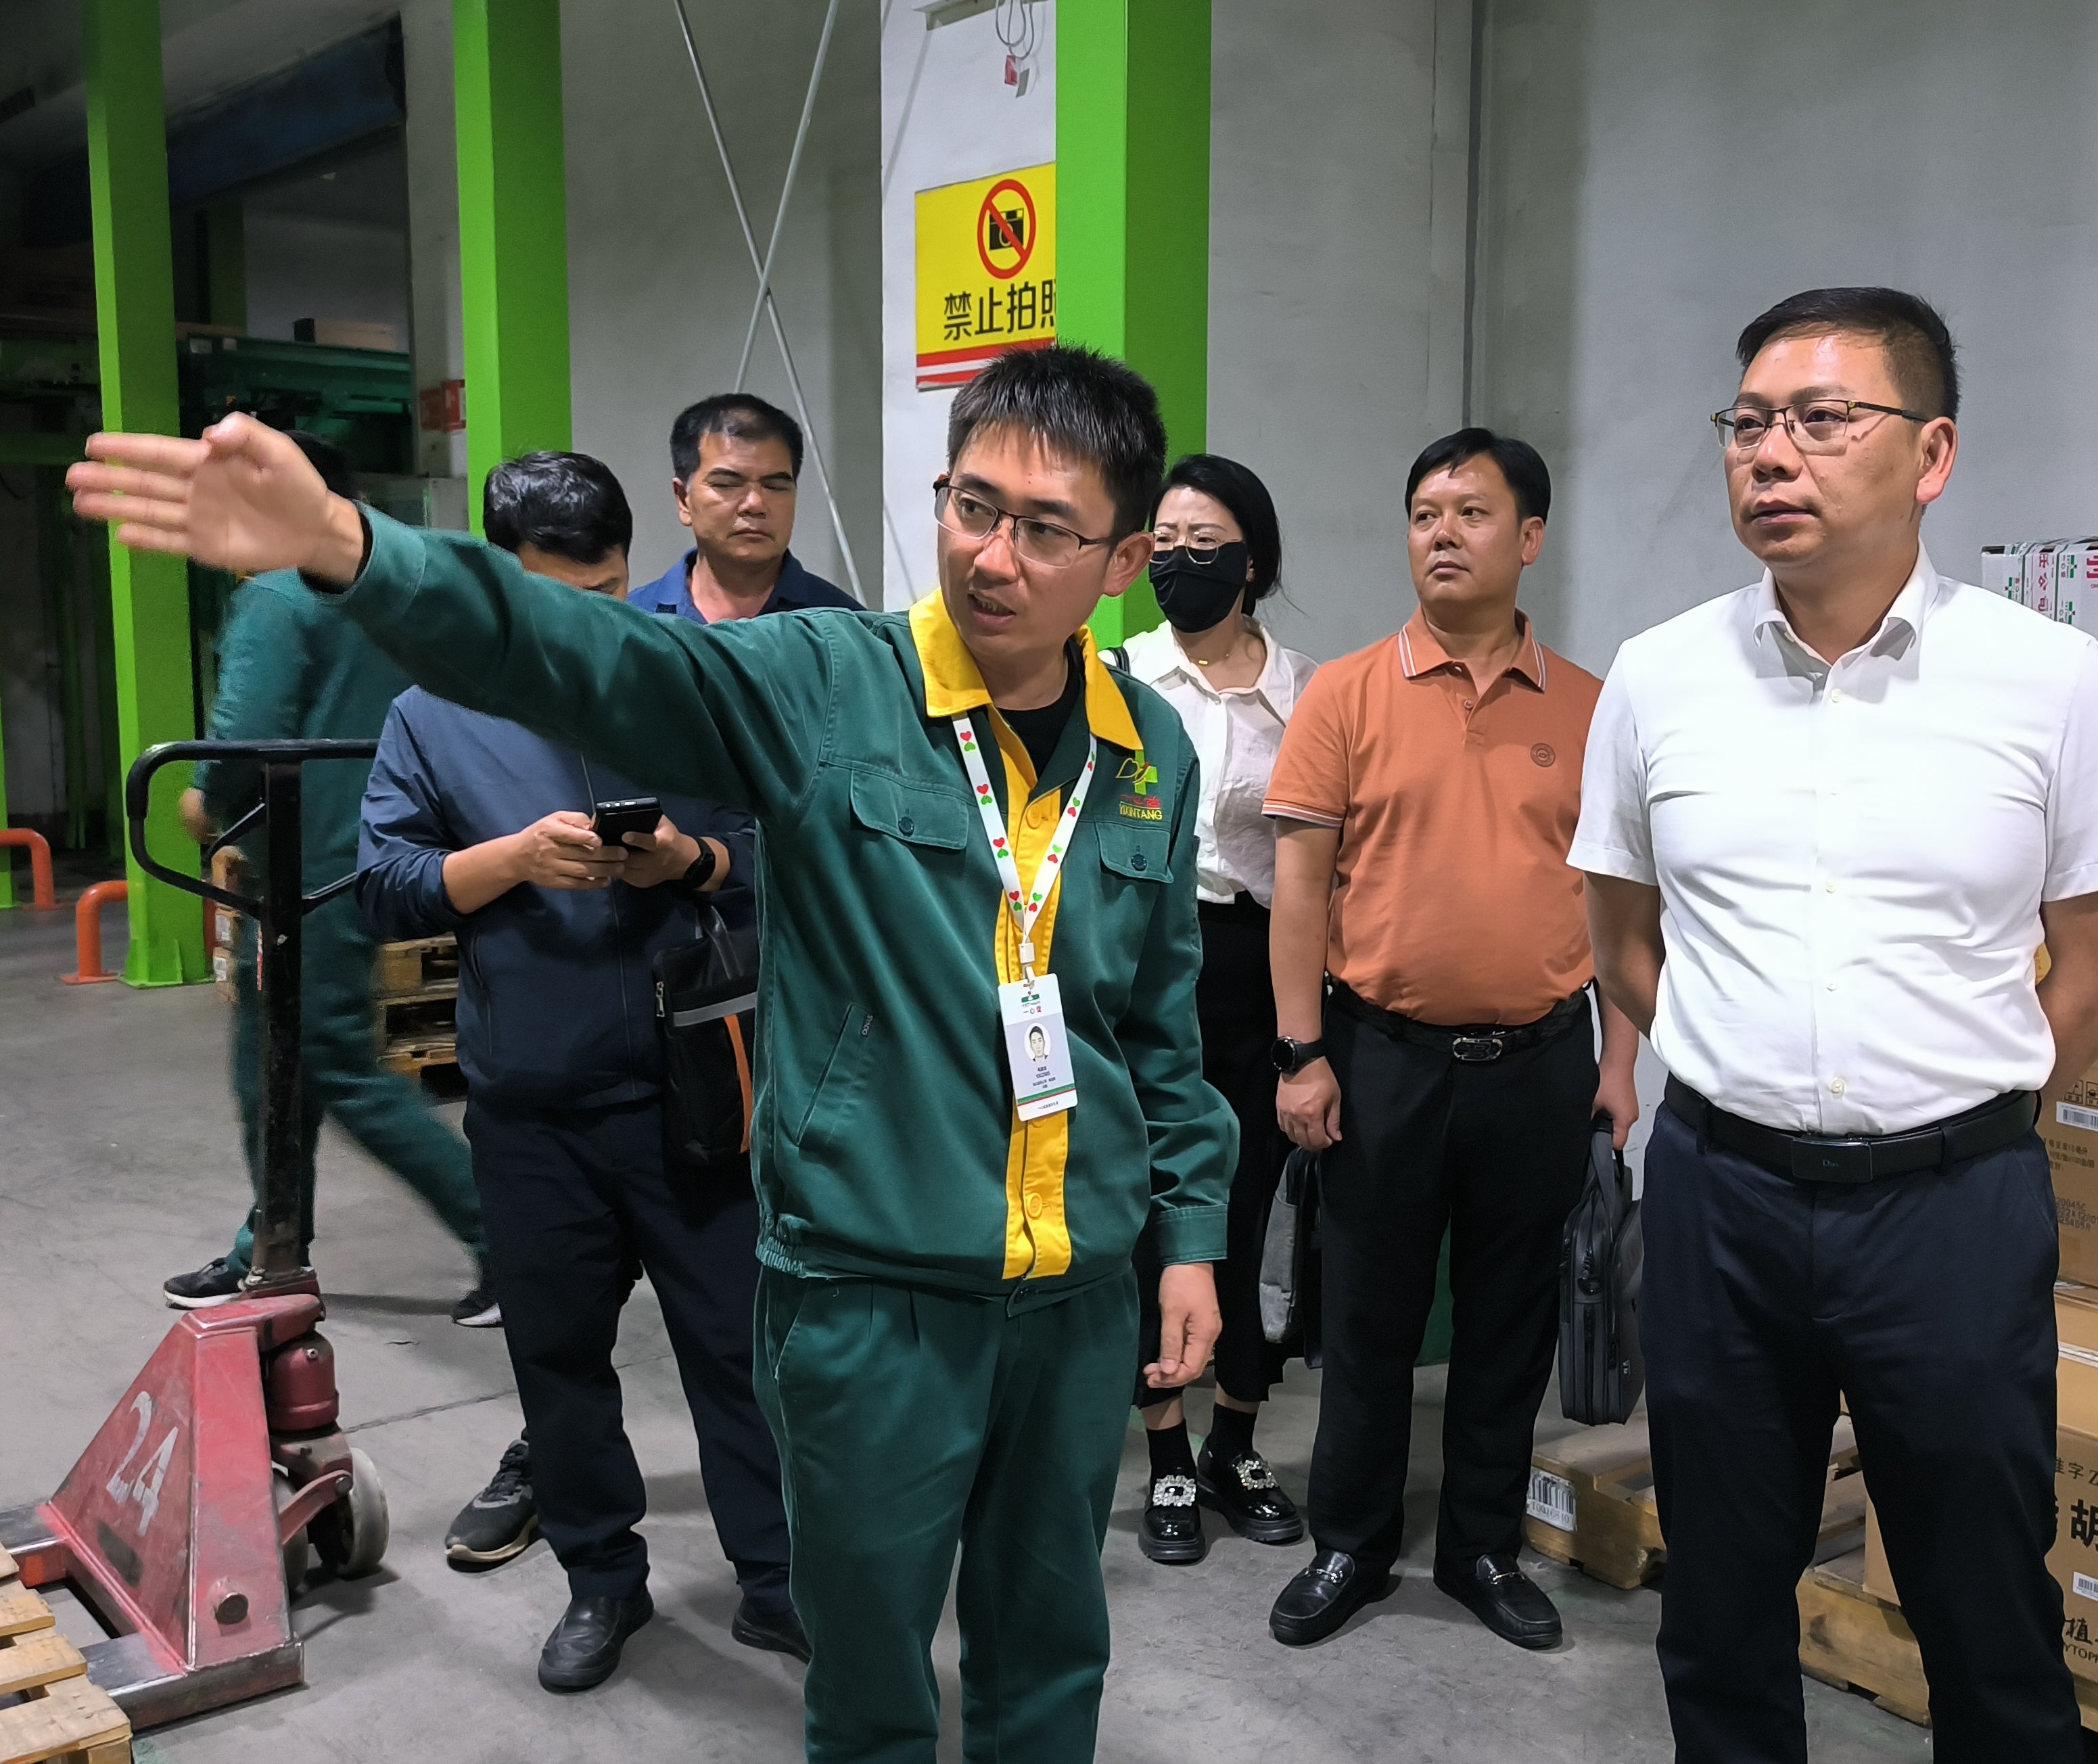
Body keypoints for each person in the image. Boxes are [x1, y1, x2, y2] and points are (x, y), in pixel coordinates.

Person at [70, 344, 1236, 1764]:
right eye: (971, 505)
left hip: (1078, 1296)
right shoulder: (831, 682)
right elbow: (593, 657)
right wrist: (352, 547)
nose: (991, 555)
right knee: (871, 1676)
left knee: (1051, 1652)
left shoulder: (1147, 750)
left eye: (1045, 529)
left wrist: (1186, 1234)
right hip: (876, 1294)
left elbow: (1156, 1021)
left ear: (1121, 561)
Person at [1570, 287, 2098, 1761]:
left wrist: (1953, 1110)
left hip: (1951, 1210)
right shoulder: (1657, 674)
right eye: (1748, 423)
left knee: (1982, 1591)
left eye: (1823, 419)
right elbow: (1622, 940)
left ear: (1932, 452)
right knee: (1718, 1589)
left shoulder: (2047, 679)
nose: (1773, 454)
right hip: (1721, 1201)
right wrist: (1739, 1066)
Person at [357, 451, 803, 1690]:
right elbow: (386, 885)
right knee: (558, 1363)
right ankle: (603, 1581)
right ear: (502, 581)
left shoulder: (687, 680)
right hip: (534, 1106)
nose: (591, 627)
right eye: (561, 601)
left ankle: (777, 1582)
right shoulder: (432, 714)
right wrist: (511, 859)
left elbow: (780, 842)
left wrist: (689, 863)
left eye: (610, 594)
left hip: (695, 1094)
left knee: (741, 1353)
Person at [1259, 429, 1644, 1652]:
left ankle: (1482, 1544)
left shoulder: (1592, 707)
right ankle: (1351, 1542)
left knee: (1510, 1318)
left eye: (1471, 512)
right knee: (1367, 1317)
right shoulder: (1345, 695)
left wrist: (1619, 1066)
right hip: (1381, 1059)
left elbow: (1620, 907)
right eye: (1425, 512)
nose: (1442, 532)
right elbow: (1300, 889)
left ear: (1529, 538)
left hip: (1540, 1062)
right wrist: (1301, 1053)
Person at [163, 430, 489, 1324]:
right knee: (272, 1061)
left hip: (307, 865)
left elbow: (246, 736)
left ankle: (502, 1238)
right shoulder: (393, 587)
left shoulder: (278, 595)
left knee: (332, 1059)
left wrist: (204, 803)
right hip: (379, 846)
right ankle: (269, 1244)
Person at [1114, 452, 1316, 1566]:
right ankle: (1167, 1453)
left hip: (1260, 967)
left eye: (1207, 544)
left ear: (1252, 561)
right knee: (1155, 1215)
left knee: (1250, 1210)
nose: (1181, 562)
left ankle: (1237, 1436)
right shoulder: (1116, 676)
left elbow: (1321, 868)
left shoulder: (1308, 692)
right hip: (1145, 966)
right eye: (1168, 543)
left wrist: (1304, 1034)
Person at [627, 392, 861, 620]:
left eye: (775, 487)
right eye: (727, 485)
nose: (755, 504)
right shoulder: (633, 623)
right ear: (683, 499)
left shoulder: (845, 626)